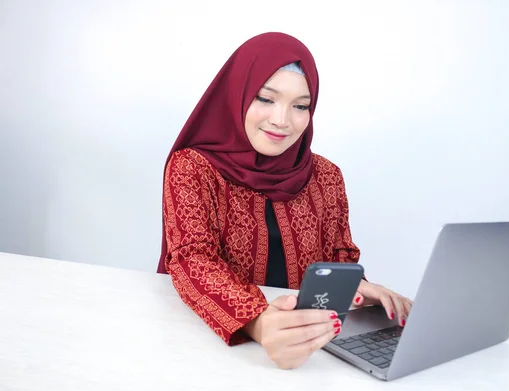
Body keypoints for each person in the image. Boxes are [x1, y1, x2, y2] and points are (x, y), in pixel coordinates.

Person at [157, 32, 413, 370]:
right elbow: (193, 260)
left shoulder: (325, 175)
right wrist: (261, 324)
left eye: (300, 106)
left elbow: (336, 258)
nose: (281, 120)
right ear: (237, 95)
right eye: (266, 99)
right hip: (208, 351)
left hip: (309, 350)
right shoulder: (193, 167)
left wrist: (360, 288)